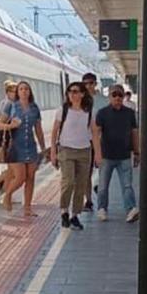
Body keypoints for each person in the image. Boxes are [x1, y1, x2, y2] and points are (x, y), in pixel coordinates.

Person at [51, 82, 100, 230]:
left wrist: (98, 153)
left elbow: (95, 134)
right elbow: (54, 132)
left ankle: (75, 215)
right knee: (69, 181)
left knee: (81, 184)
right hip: (66, 150)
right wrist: (53, 152)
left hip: (84, 151)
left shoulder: (89, 111)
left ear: (82, 94)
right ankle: (64, 210)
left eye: (75, 91)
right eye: (70, 91)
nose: (72, 94)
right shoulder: (63, 110)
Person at [94, 84, 139, 222]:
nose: (118, 98)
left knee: (127, 185)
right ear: (109, 97)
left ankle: (131, 209)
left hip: (124, 155)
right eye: (114, 95)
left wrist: (137, 152)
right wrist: (97, 154)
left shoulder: (130, 113)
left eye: (120, 95)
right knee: (103, 186)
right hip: (107, 155)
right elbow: (96, 134)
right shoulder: (102, 113)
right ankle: (102, 209)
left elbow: (134, 133)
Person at [1, 80, 46, 217]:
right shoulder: (11, 106)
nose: (24, 91)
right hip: (15, 147)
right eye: (21, 89)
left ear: (30, 92)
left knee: (31, 178)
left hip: (31, 146)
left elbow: (38, 129)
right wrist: (10, 126)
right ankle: (7, 195)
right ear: (17, 92)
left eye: (26, 89)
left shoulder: (34, 108)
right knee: (20, 178)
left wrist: (43, 147)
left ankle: (27, 208)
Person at [82, 73, 109, 211]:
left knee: (103, 170)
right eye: (85, 83)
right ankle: (89, 201)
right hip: (85, 142)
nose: (88, 86)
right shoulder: (79, 101)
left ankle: (102, 202)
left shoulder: (104, 101)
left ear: (95, 84)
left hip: (102, 141)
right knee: (86, 172)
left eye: (91, 83)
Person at [0, 80, 18, 198]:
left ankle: (5, 194)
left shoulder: (8, 103)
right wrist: (12, 125)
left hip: (6, 140)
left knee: (12, 169)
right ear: (8, 92)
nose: (15, 94)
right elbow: (0, 124)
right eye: (13, 92)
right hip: (5, 140)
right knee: (13, 169)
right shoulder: (8, 105)